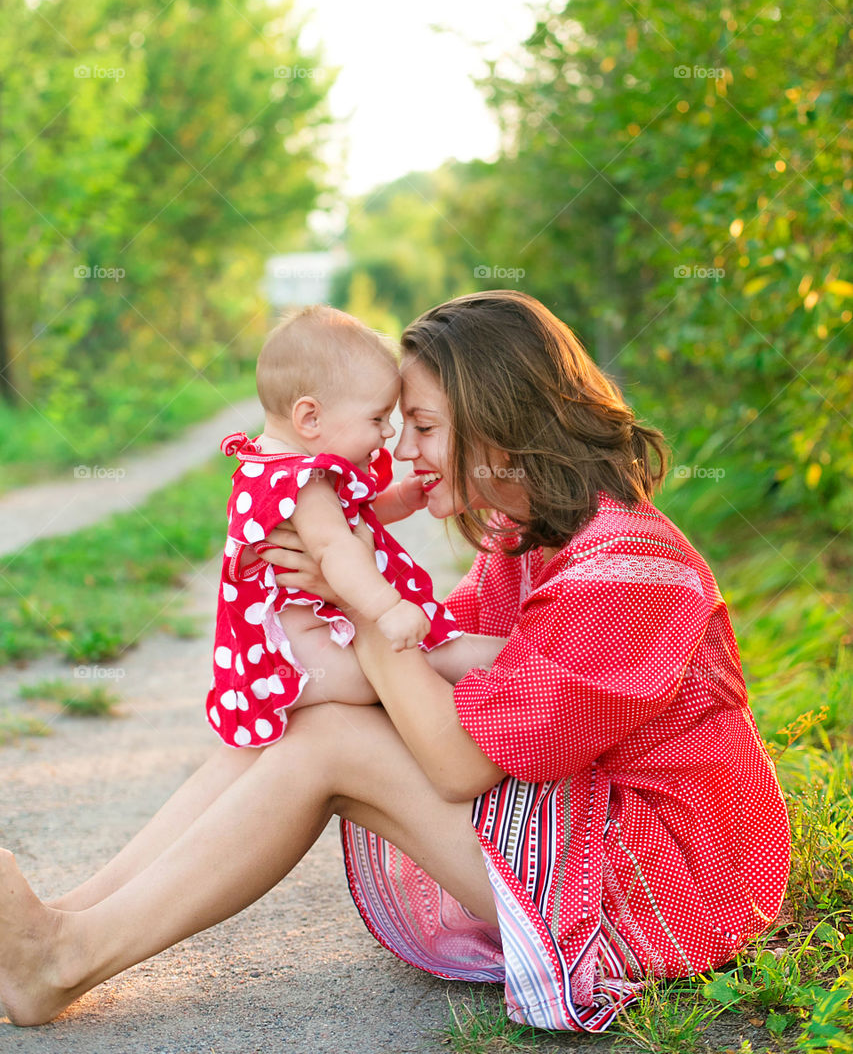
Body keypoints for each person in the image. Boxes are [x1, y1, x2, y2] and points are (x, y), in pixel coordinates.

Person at [0, 290, 790, 1034]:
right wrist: (346, 614)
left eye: (419, 425)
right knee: (299, 720)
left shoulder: (627, 565)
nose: (398, 449)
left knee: (333, 739)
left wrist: (355, 602)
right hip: (588, 826)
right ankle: (69, 923)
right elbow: (433, 663)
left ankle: (65, 958)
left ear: (498, 427)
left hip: (662, 879)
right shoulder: (529, 537)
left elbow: (456, 763)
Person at [206, 304, 480, 749]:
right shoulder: (305, 482)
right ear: (309, 418)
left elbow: (352, 520)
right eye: (377, 419)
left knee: (432, 665)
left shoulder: (271, 464)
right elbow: (335, 548)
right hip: (308, 657)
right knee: (426, 669)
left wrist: (400, 500)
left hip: (306, 646)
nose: (388, 434)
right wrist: (388, 608)